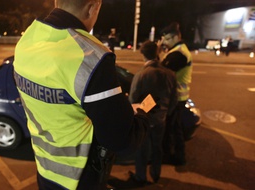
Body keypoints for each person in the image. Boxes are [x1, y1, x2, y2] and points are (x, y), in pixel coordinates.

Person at [13, 0, 149, 189]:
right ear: (93, 7)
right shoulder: (90, 57)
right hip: (78, 177)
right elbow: (121, 139)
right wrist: (142, 115)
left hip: (44, 170)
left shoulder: (28, 38)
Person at [128, 40, 177, 186]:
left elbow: (132, 99)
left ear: (143, 55)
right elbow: (174, 99)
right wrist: (165, 114)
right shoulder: (170, 74)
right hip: (161, 120)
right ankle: (156, 174)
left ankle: (140, 176)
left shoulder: (141, 75)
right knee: (157, 147)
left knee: (142, 149)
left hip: (144, 119)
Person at [160, 22, 192, 166]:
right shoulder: (177, 50)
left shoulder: (179, 54)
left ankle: (177, 157)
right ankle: (178, 156)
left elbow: (161, 71)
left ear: (174, 37)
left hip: (177, 97)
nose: (164, 42)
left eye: (166, 39)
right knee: (175, 127)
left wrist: (158, 52)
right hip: (178, 97)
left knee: (172, 128)